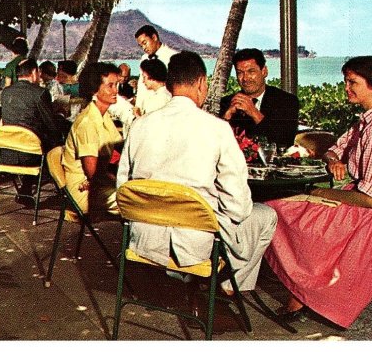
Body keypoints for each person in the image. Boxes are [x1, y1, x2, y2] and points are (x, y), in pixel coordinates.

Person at [263, 56, 372, 328]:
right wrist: (334, 160)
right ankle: (301, 289)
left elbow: (370, 198)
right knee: (290, 207)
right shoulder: (370, 119)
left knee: (281, 210)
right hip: (365, 195)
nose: (346, 87)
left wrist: (319, 192)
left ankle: (302, 291)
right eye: (346, 81)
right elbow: (336, 147)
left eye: (352, 82)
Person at [117, 51, 277, 305]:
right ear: (202, 83)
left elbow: (124, 189)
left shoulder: (140, 126)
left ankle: (211, 287)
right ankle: (225, 289)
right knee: (266, 216)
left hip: (144, 240)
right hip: (195, 246)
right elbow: (238, 206)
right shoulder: (217, 129)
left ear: (169, 85)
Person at [61, 62, 123, 216]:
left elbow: (116, 151)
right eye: (110, 86)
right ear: (95, 90)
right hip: (85, 193)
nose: (116, 91)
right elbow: (93, 174)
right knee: (142, 201)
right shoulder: (87, 123)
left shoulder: (103, 115)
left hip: (99, 184)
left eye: (117, 85)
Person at [0, 57, 64, 202]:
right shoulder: (40, 93)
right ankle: (63, 188)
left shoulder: (6, 92)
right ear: (34, 72)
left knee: (33, 139)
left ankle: (26, 189)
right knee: (55, 141)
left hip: (6, 151)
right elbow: (51, 124)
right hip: (30, 153)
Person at [219, 48, 299, 147]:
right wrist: (227, 115)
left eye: (251, 71)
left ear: (264, 71)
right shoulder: (226, 103)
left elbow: (284, 141)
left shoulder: (286, 101)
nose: (245, 78)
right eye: (240, 73)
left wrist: (254, 112)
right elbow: (214, 144)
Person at [133, 25, 176, 113]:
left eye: (145, 43)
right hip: (146, 109)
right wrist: (138, 105)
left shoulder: (173, 57)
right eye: (141, 46)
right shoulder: (144, 58)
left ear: (154, 37)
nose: (144, 48)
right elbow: (141, 85)